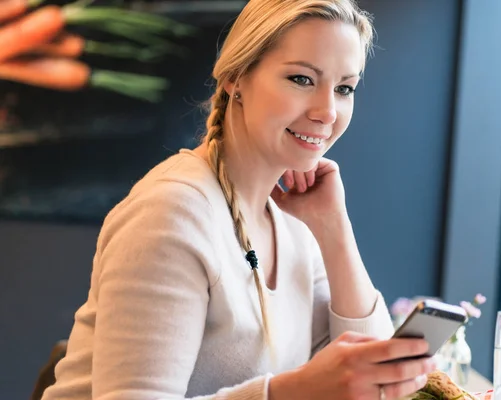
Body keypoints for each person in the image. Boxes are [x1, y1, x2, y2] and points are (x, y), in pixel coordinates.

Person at [41, 1, 437, 399]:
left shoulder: (295, 224)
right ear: (236, 78)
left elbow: (384, 386)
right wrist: (291, 391)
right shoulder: (173, 212)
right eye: (301, 79)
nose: (327, 111)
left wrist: (334, 228)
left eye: (344, 88)